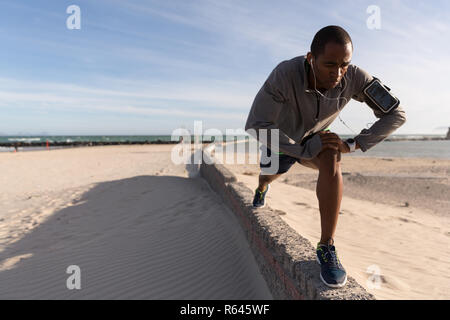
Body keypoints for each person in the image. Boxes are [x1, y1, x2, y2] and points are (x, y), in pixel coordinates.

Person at [244, 25, 406, 288]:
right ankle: (262, 187)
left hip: (317, 136)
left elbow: (396, 114)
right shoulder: (284, 74)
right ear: (311, 58)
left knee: (332, 153)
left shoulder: (354, 77)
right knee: (270, 174)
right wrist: (301, 150)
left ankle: (326, 247)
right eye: (330, 64)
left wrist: (355, 144)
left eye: (344, 64)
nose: (338, 73)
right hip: (282, 140)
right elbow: (256, 124)